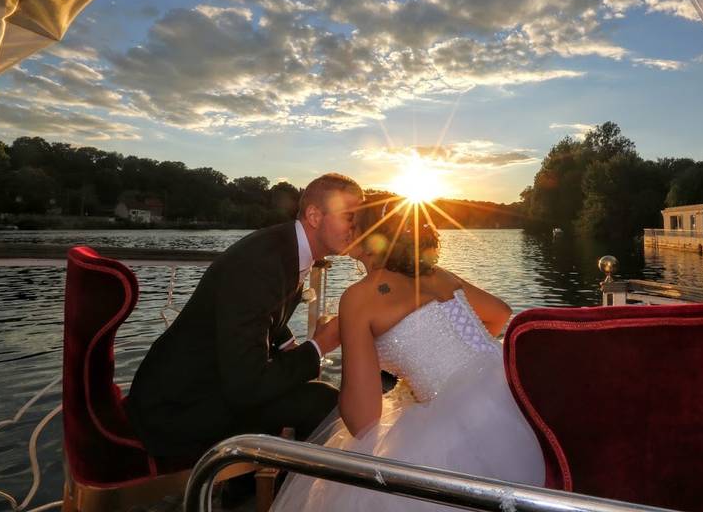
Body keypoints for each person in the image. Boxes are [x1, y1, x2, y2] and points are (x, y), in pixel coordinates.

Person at [271, 197, 544, 511]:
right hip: (512, 389)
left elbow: (363, 420)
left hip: (463, 423)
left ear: (366, 234)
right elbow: (499, 313)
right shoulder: (437, 273)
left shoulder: (359, 298)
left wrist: (340, 336)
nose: (343, 226)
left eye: (350, 219)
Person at [126, 173, 363, 461]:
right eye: (350, 216)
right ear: (314, 215)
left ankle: (247, 488)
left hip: (199, 385)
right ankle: (278, 497)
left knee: (305, 389)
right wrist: (318, 347)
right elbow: (246, 387)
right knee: (321, 401)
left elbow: (259, 312)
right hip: (176, 408)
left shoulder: (283, 247)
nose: (357, 227)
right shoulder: (261, 265)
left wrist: (287, 343)